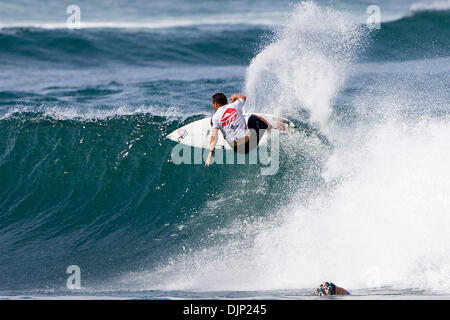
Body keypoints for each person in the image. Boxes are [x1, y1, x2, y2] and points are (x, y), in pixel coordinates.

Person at [205, 92, 274, 167]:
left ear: (215, 104)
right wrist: (235, 96)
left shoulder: (215, 118)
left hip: (238, 149)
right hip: (251, 143)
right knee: (253, 117)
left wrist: (210, 153)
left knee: (223, 130)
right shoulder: (235, 105)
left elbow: (214, 136)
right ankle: (271, 127)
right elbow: (243, 97)